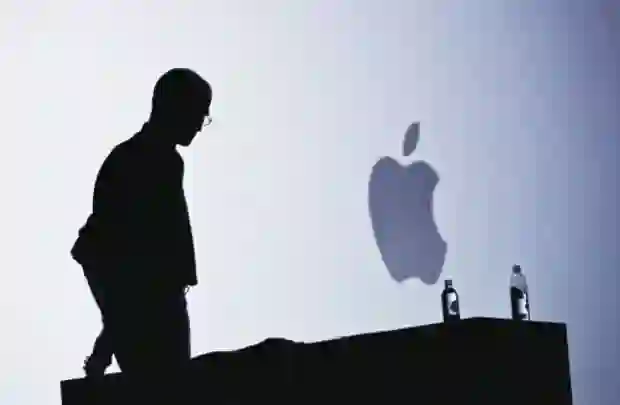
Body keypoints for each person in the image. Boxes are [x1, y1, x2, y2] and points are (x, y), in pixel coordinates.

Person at [70, 68, 212, 384]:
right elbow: (112, 254)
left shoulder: (164, 161)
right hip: (152, 308)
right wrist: (111, 334)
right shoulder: (137, 161)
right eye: (199, 113)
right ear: (176, 107)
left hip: (159, 301)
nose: (200, 125)